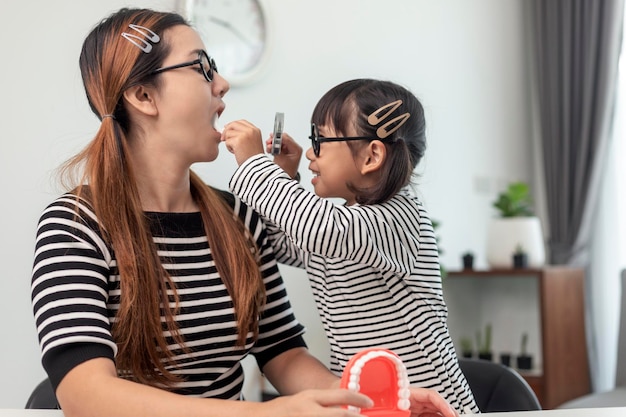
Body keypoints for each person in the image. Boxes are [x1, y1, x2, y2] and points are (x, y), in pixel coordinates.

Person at [30, 8, 459, 417]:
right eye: (201, 68)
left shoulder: (237, 216)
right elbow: (85, 396)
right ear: (143, 96)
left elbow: (283, 353)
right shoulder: (75, 224)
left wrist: (359, 401)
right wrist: (268, 412)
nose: (222, 84)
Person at [222, 79, 480, 414]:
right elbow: (283, 245)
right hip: (375, 402)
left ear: (372, 155)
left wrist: (256, 164)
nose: (311, 153)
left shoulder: (399, 217)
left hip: (431, 405)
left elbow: (321, 229)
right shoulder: (345, 224)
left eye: (321, 140)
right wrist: (284, 178)